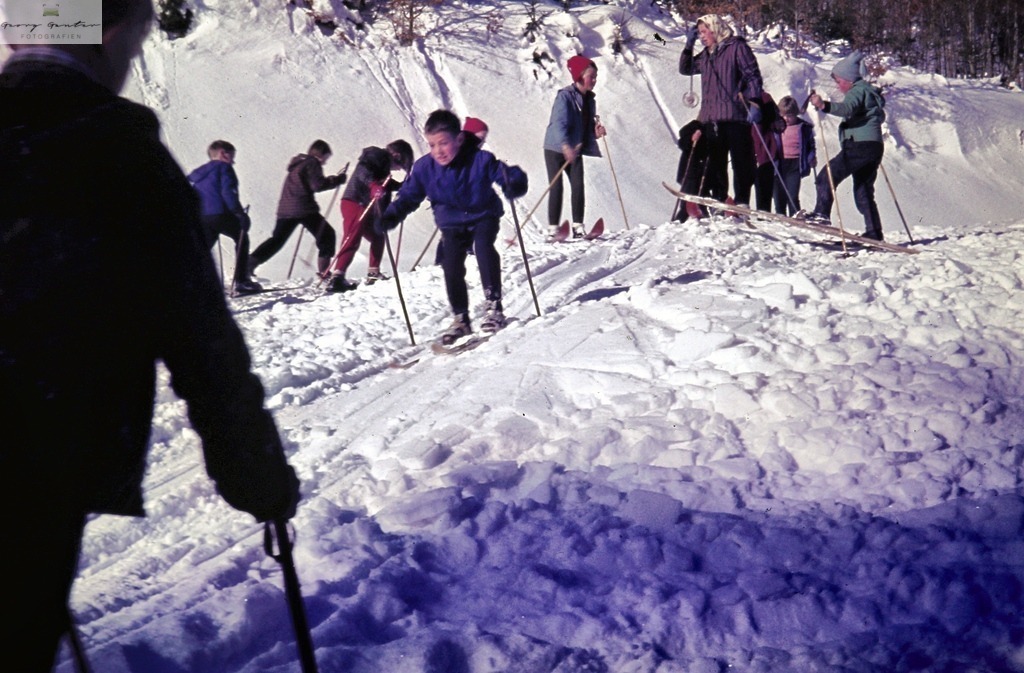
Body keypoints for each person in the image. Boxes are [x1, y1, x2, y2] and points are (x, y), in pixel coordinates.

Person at [0, 0, 301, 669]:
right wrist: (259, 480)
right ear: (112, 35)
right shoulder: (117, 151)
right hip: (31, 476)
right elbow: (202, 342)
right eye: (137, 45)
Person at [378, 109, 528, 344]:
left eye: (444, 143)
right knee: (450, 262)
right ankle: (461, 318)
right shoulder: (424, 168)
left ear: (458, 139)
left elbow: (503, 173)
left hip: (483, 215)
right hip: (451, 222)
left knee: (483, 247)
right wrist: (391, 215)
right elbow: (409, 196)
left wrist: (513, 181)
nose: (438, 151)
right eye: (432, 145)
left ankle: (494, 306)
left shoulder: (481, 159)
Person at [679, 14, 764, 208]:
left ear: (715, 28)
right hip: (712, 117)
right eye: (698, 33)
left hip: (735, 115)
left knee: (741, 162)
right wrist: (688, 45)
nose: (701, 36)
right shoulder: (707, 54)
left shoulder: (736, 47)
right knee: (715, 164)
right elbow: (686, 69)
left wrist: (755, 102)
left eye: (703, 31)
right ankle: (720, 201)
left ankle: (742, 202)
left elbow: (753, 76)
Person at [804, 50, 886, 240]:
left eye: (839, 81)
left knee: (827, 175)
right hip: (873, 146)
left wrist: (824, 105)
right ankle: (874, 232)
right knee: (863, 190)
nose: (838, 86)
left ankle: (821, 215)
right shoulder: (869, 92)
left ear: (849, 79)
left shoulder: (857, 90)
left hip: (859, 145)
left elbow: (848, 108)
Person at [248, 139, 347, 278]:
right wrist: (336, 180)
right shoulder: (312, 163)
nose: (325, 162)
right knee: (327, 235)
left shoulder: (298, 164)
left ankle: (248, 264)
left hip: (286, 208)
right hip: (303, 208)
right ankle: (325, 272)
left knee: (277, 240)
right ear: (321, 154)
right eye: (326, 158)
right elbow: (317, 185)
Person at [324, 140, 414, 293]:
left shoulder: (383, 164)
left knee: (378, 235)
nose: (399, 168)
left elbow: (384, 183)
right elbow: (363, 172)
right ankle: (337, 277)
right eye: (401, 163)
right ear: (397, 155)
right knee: (353, 236)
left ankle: (373, 273)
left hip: (365, 205)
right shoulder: (376, 155)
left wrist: (400, 186)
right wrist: (373, 186)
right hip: (355, 201)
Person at [542, 55, 607, 239]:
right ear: (579, 76)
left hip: (575, 148)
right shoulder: (565, 97)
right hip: (555, 147)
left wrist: (596, 133)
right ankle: (553, 229)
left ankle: (578, 227)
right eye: (591, 76)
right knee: (557, 187)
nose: (594, 81)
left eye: (595, 77)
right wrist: (565, 146)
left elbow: (586, 128)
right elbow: (558, 124)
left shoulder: (589, 100)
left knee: (578, 185)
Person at [187, 140, 262, 295]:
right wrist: (239, 214)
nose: (233, 161)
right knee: (241, 237)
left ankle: (190, 281)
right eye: (231, 156)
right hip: (220, 213)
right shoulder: (224, 168)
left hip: (203, 215)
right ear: (222, 153)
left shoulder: (200, 173)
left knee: (203, 248)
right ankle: (242, 281)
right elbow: (228, 193)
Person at [773, 95, 816, 216]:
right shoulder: (777, 126)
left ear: (795, 114)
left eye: (790, 116)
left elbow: (810, 146)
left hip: (795, 164)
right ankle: (780, 218)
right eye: (783, 115)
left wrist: (811, 157)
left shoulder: (803, 127)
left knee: (792, 195)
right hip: (779, 163)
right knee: (778, 195)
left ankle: (795, 217)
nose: (786, 119)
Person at [671, 119, 711, 222]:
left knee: (702, 196)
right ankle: (678, 221)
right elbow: (683, 141)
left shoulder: (714, 131)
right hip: (690, 173)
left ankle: (705, 216)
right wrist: (692, 138)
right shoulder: (696, 125)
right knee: (689, 198)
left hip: (702, 173)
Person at [751, 91, 784, 212]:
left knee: (764, 186)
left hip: (765, 148)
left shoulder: (764, 97)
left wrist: (764, 116)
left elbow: (778, 121)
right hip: (747, 148)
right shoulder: (736, 96)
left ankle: (764, 213)